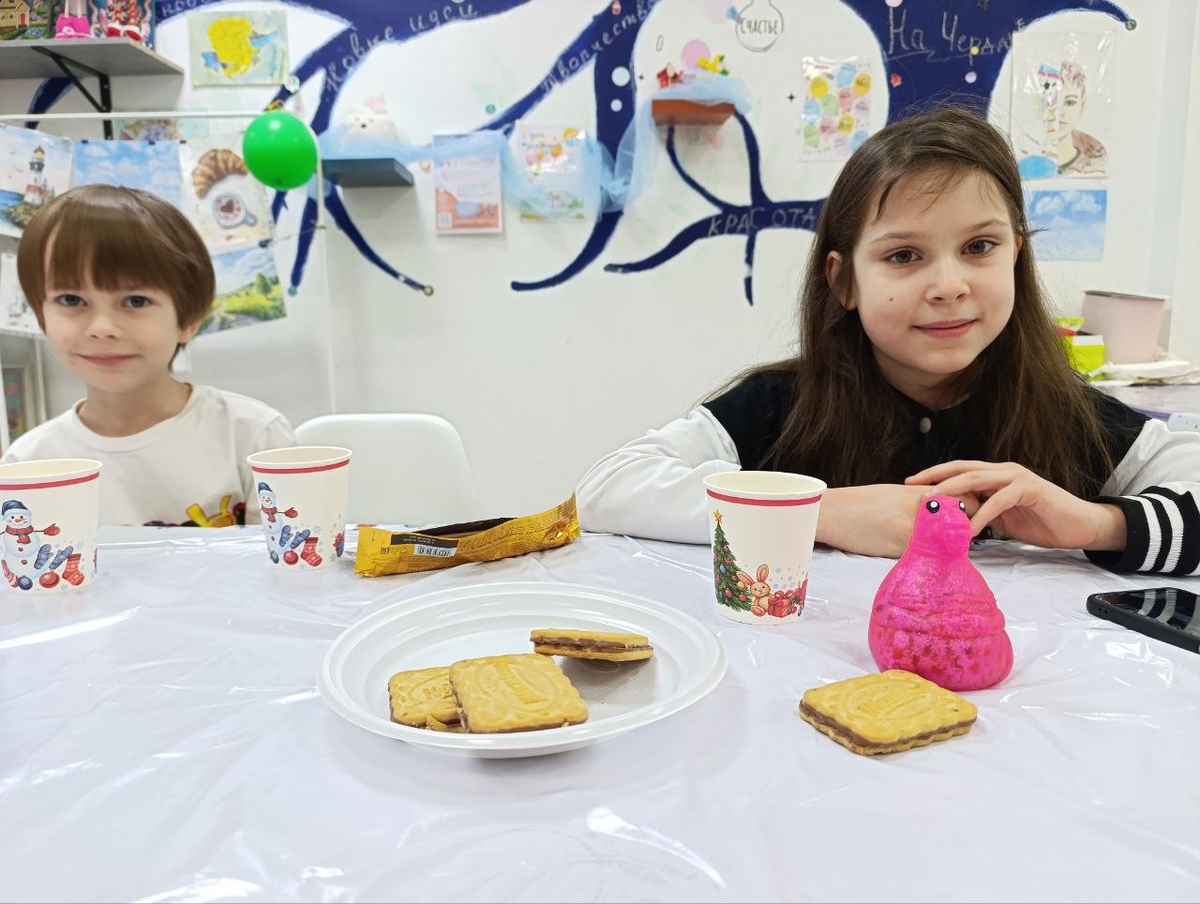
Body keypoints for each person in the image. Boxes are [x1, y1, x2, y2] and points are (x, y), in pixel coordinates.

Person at [576, 106, 1200, 576]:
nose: (949, 286)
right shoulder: (781, 405)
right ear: (844, 280)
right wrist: (824, 512)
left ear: (1015, 254)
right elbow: (607, 490)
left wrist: (1095, 523)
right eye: (904, 256)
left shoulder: (1065, 414)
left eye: (979, 247)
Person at [2, 184, 297, 527]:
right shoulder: (29, 464)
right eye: (71, 300)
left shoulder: (253, 436)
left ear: (188, 319)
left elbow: (292, 554)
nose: (102, 328)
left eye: (136, 301)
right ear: (41, 314)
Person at [1055, 60, 1107, 176]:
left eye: (1070, 102)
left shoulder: (1097, 167)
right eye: (1052, 101)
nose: (1060, 112)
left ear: (1081, 106)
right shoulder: (1024, 163)